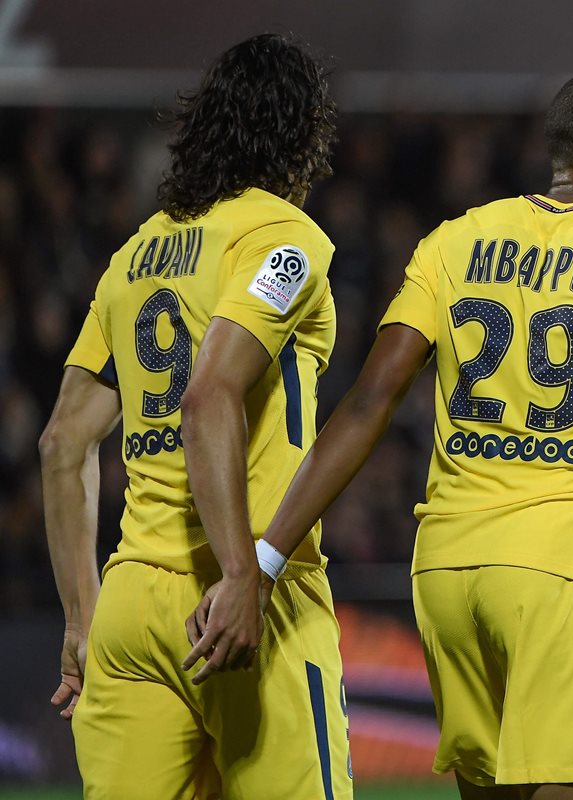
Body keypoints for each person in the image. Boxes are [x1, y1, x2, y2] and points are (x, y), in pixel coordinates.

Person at [235, 68, 573, 799]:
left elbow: (366, 405)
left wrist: (261, 563)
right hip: (564, 571)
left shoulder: (455, 239)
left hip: (448, 572)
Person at [40, 34, 352, 799]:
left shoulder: (137, 254)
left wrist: (82, 619)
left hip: (128, 607)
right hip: (241, 595)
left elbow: (62, 442)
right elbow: (209, 394)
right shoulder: (283, 238)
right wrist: (245, 572)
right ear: (301, 137)